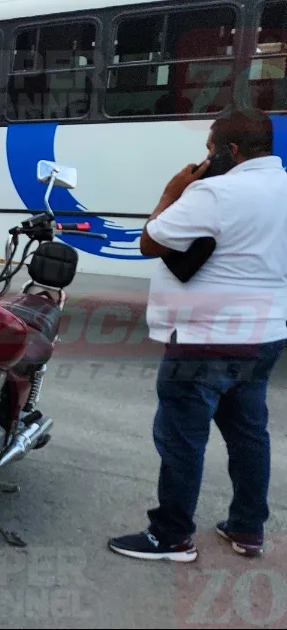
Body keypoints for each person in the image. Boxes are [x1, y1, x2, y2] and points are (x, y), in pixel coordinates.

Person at [109, 109, 287, 562]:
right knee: (249, 435)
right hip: (265, 335)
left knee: (182, 439)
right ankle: (247, 528)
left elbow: (150, 241)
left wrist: (173, 191)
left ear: (230, 151)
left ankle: (171, 537)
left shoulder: (215, 192)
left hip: (204, 338)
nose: (205, 158)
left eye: (209, 150)